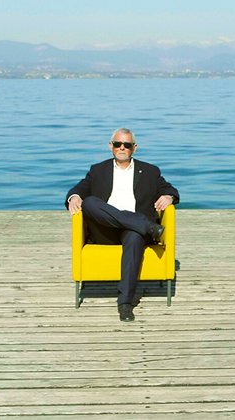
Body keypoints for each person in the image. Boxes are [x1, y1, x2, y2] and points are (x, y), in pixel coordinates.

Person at [66, 128, 179, 322]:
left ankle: (125, 303)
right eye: (118, 144)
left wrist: (168, 197)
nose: (122, 148)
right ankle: (145, 225)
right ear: (111, 146)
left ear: (134, 148)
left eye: (127, 145)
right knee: (90, 202)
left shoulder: (150, 171)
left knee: (134, 236)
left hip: (133, 232)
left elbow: (170, 189)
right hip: (105, 231)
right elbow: (79, 188)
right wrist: (74, 197)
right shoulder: (98, 170)